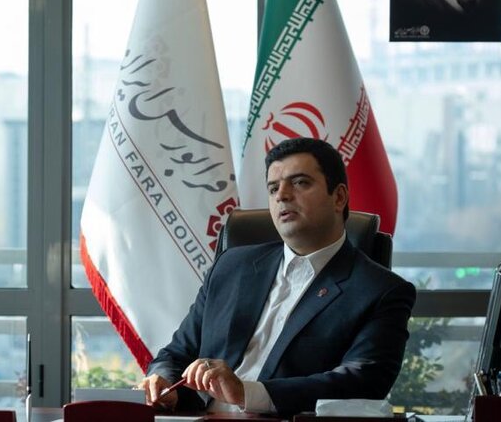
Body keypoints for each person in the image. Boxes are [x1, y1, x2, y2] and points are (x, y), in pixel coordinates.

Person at [140, 137, 416, 416]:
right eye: (273, 188)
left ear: (339, 197)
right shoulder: (231, 266)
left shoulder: (380, 291)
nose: (282, 195)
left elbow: (363, 381)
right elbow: (175, 354)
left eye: (300, 183)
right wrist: (162, 381)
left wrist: (247, 392)